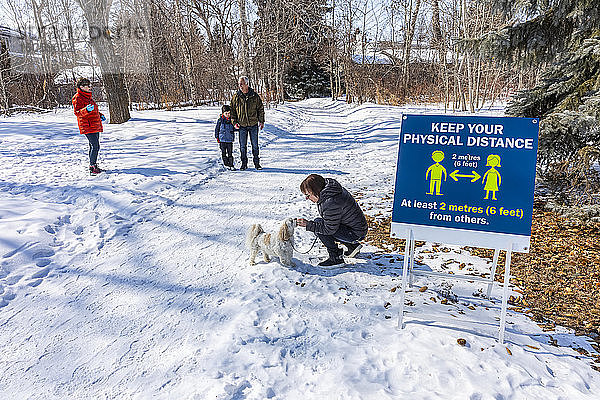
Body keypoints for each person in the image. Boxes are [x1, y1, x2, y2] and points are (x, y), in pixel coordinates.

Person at [296, 174, 368, 267]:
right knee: (319, 222)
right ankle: (352, 246)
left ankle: (336, 258)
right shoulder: (330, 190)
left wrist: (308, 225)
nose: (307, 198)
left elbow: (329, 229)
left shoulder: (330, 201)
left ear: (316, 190)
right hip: (356, 227)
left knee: (318, 226)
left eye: (308, 195)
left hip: (355, 233)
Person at [230, 76, 265, 170]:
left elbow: (260, 109)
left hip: (253, 124)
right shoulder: (235, 97)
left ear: (247, 84)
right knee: (242, 146)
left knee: (255, 145)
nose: (240, 86)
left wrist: (261, 121)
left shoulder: (254, 96)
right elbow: (232, 111)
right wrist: (234, 122)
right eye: (239, 84)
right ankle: (244, 164)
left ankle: (257, 163)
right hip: (241, 125)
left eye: (242, 83)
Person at [72, 78, 106, 175]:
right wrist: (86, 110)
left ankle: (93, 165)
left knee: (93, 146)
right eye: (87, 85)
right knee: (95, 146)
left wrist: (100, 115)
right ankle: (92, 167)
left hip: (94, 124)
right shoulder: (77, 98)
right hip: (87, 125)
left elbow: (93, 110)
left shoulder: (88, 97)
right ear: (81, 87)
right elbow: (77, 113)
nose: (90, 87)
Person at [215, 104, 236, 170]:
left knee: (230, 153)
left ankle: (231, 165)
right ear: (223, 113)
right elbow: (217, 129)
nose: (228, 114)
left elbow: (234, 128)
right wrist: (217, 137)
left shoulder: (231, 121)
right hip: (222, 140)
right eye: (226, 113)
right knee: (223, 153)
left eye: (229, 113)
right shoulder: (220, 120)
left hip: (229, 139)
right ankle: (226, 163)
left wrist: (237, 127)